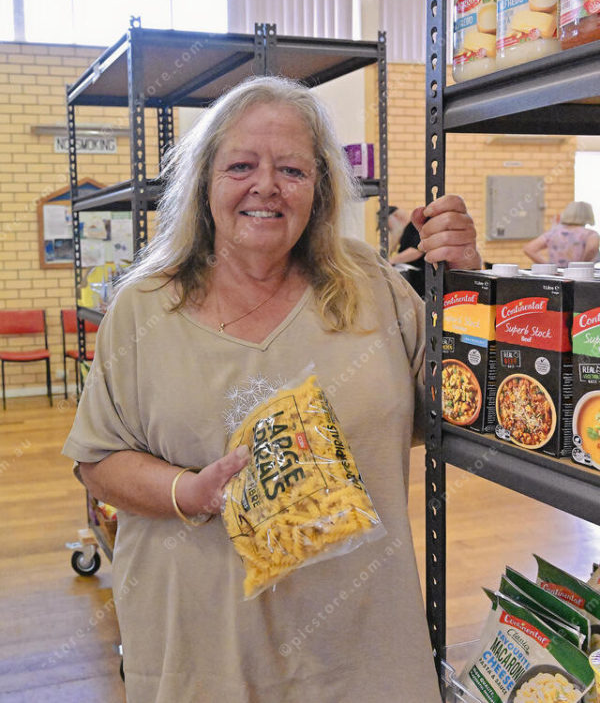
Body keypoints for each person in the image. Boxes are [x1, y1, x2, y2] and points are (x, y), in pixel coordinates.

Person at [62, 76, 481, 703]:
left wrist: (468, 285)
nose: (266, 186)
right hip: (204, 657)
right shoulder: (144, 309)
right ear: (204, 182)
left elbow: (461, 405)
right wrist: (189, 492)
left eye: (292, 169)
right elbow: (96, 462)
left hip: (360, 650)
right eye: (241, 166)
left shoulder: (374, 287)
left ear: (321, 188)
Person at [523, 200, 599, 267]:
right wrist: (582, 266)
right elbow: (592, 249)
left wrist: (549, 267)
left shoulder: (553, 233)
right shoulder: (590, 234)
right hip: (582, 276)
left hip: (557, 276)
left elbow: (529, 249)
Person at [386, 206, 426, 297]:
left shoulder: (414, 227)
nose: (388, 229)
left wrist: (391, 260)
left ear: (396, 216)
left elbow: (417, 250)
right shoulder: (407, 231)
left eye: (388, 226)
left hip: (422, 283)